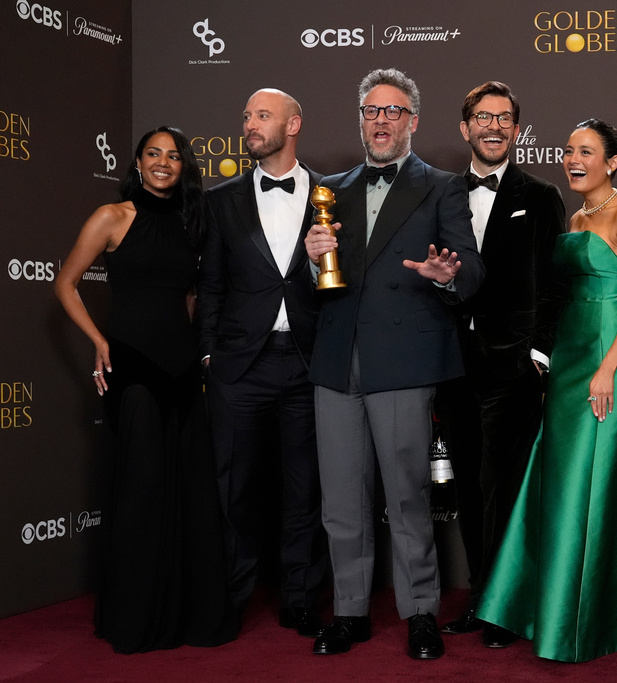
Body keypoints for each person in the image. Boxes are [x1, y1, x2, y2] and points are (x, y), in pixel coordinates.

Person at [477, 119, 617, 662]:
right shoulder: (576, 217)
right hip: (570, 361)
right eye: (569, 151)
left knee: (600, 488)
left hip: (608, 362)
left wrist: (607, 368)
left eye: (587, 152)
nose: (573, 159)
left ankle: (605, 615)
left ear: (614, 160)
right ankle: (556, 606)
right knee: (563, 487)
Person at [302, 68, 485, 660]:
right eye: (373, 111)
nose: (382, 120)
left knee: (407, 499)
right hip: (336, 364)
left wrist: (449, 275)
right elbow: (316, 283)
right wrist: (312, 260)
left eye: (394, 111)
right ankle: (350, 611)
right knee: (341, 502)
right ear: (361, 120)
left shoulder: (442, 187)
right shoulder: (330, 186)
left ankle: (421, 611)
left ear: (412, 121)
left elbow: (472, 271)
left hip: (405, 362)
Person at [55, 127, 232, 653]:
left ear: (183, 166)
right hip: (132, 368)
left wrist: (195, 351)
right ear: (136, 162)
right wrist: (98, 342)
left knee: (188, 493)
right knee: (143, 490)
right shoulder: (112, 217)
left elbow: (192, 296)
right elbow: (65, 282)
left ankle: (184, 617)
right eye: (153, 154)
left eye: (173, 156)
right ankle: (136, 619)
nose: (162, 163)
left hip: (181, 370)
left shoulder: (190, 221)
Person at [436, 81, 565, 649]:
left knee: (506, 489)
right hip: (451, 362)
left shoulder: (540, 195)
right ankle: (481, 595)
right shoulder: (439, 193)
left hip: (512, 366)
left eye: (505, 119)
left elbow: (554, 281)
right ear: (465, 128)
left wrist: (538, 352)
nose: (494, 127)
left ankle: (508, 606)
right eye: (483, 118)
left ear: (517, 130)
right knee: (467, 485)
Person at [198, 88, 328, 639]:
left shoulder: (331, 193)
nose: (249, 124)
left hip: (307, 362)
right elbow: (209, 286)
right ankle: (230, 598)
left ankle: (299, 598)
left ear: (293, 123)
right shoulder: (220, 198)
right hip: (239, 367)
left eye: (262, 116)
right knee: (233, 489)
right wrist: (208, 354)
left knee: (305, 489)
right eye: (246, 115)